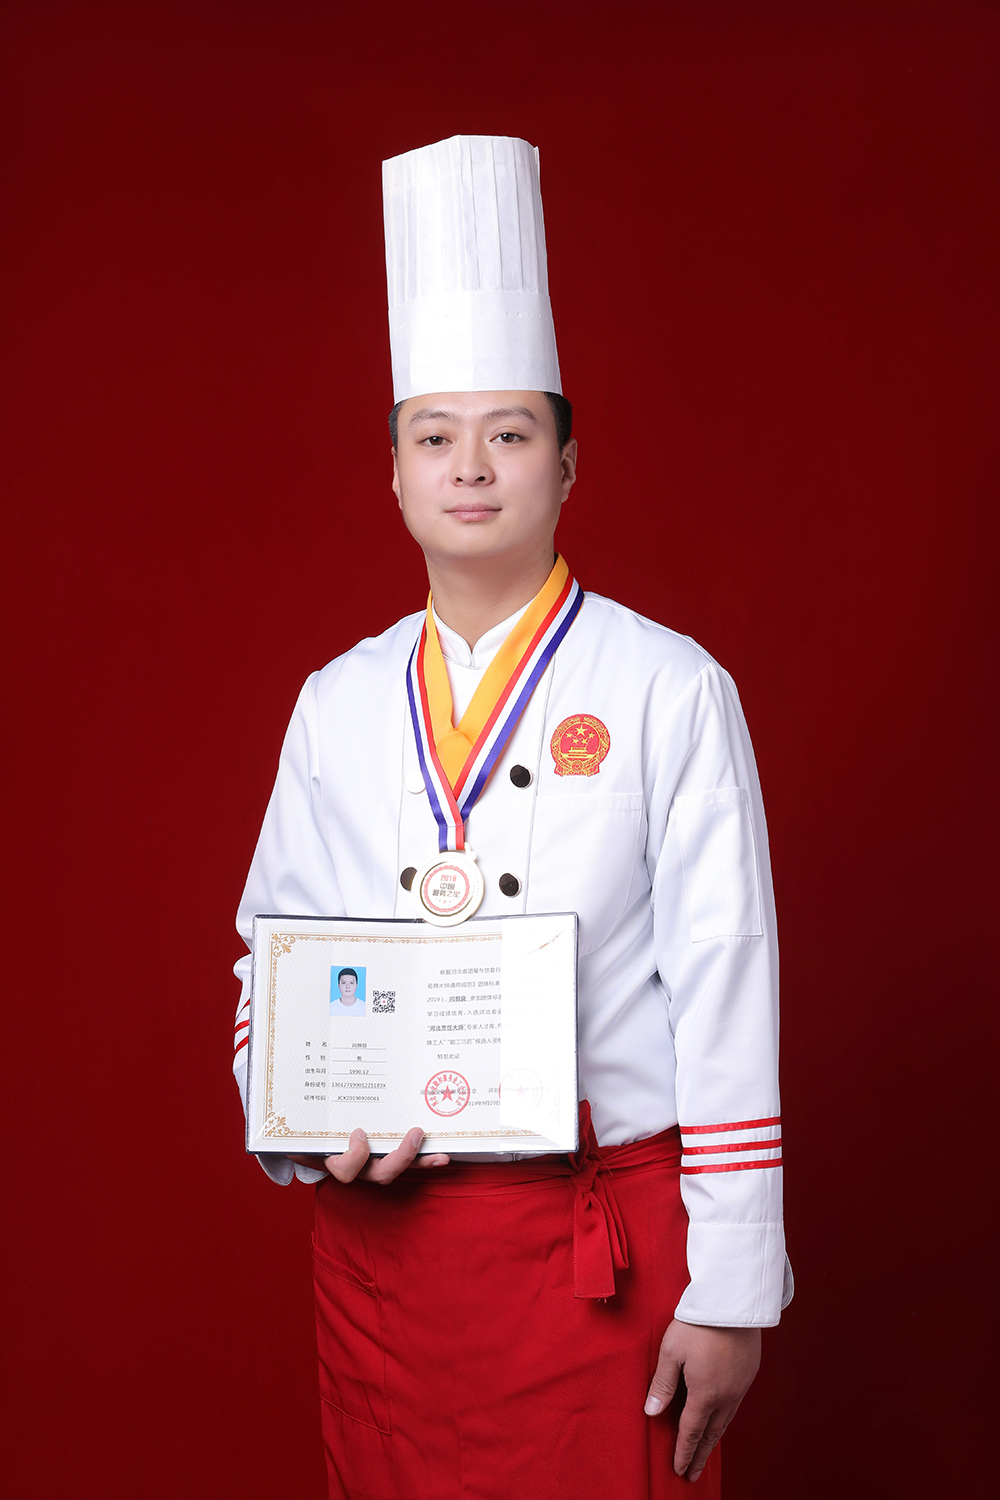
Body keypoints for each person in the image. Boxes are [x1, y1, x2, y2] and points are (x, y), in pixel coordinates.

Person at [233, 135, 790, 1499]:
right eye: (435, 437)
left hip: (601, 1243)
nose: (471, 467)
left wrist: (733, 1286)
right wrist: (301, 1121)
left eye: (511, 434)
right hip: (387, 1255)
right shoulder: (337, 700)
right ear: (394, 473)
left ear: (568, 463)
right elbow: (272, 959)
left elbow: (725, 981)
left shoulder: (668, 685)